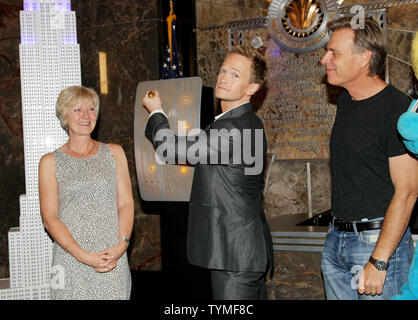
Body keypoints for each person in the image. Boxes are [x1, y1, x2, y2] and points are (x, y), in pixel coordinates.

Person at [142, 46, 274, 300]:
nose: (223, 77)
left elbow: (170, 148)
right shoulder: (239, 122)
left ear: (252, 88)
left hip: (235, 255)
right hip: (240, 253)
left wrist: (155, 110)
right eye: (223, 70)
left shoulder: (235, 128)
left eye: (235, 74)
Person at [319, 16, 418, 300]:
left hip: (376, 245)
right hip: (336, 240)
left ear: (364, 58)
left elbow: (408, 192)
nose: (325, 59)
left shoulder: (397, 108)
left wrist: (379, 260)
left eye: (334, 52)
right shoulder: (346, 101)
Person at [39, 85, 134, 300]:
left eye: (91, 109)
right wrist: (82, 255)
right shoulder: (50, 162)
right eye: (77, 110)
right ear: (64, 116)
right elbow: (49, 217)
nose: (86, 115)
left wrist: (121, 246)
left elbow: (126, 204)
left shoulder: (115, 152)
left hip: (112, 260)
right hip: (69, 260)